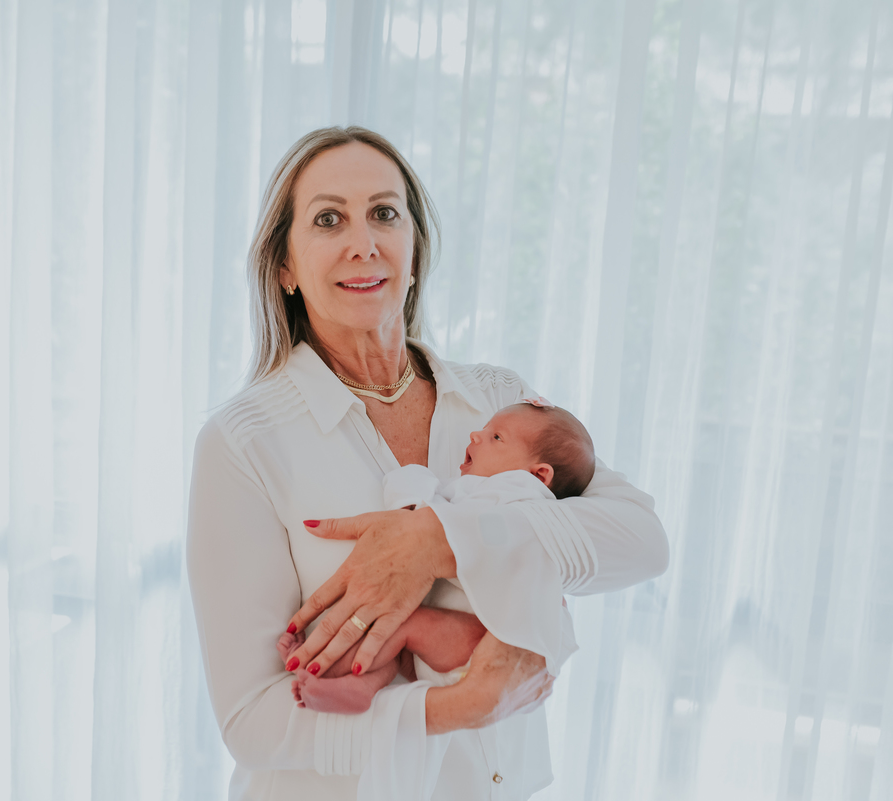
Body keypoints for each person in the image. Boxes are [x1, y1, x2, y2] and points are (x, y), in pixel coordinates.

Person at [186, 126, 669, 800]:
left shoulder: (499, 402)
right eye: (329, 219)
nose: (365, 242)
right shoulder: (243, 443)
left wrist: (441, 541)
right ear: (286, 268)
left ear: (414, 248)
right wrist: (460, 706)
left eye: (385, 212)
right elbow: (252, 721)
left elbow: (642, 541)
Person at [279, 398, 595, 715]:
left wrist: (413, 488)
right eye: (485, 429)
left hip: (484, 643)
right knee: (402, 638)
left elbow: (446, 522)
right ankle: (364, 686)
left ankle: (321, 665)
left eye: (496, 437)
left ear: (539, 475)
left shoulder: (520, 494)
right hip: (459, 642)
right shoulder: (483, 492)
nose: (475, 435)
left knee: (401, 625)